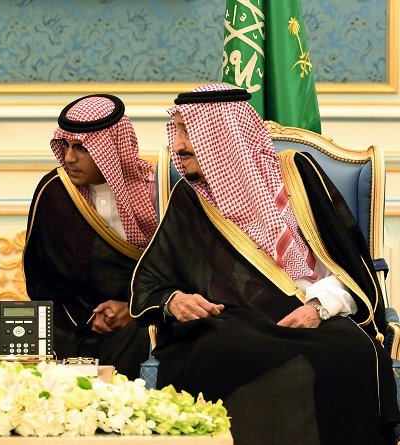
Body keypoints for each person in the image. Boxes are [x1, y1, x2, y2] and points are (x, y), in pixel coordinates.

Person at [131, 83, 399, 444]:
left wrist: (318, 308)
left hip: (310, 315)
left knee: (354, 353)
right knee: (230, 349)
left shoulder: (298, 178)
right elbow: (152, 281)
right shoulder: (189, 200)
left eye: (187, 130)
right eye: (176, 130)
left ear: (223, 136)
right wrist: (174, 301)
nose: (177, 145)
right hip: (229, 324)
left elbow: (349, 270)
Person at [23, 94, 157, 377]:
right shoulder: (55, 192)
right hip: (73, 320)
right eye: (66, 146)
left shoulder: (156, 191)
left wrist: (133, 310)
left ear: (111, 149)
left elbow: (174, 271)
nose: (69, 158)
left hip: (141, 316)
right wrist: (89, 316)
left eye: (81, 148)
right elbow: (41, 278)